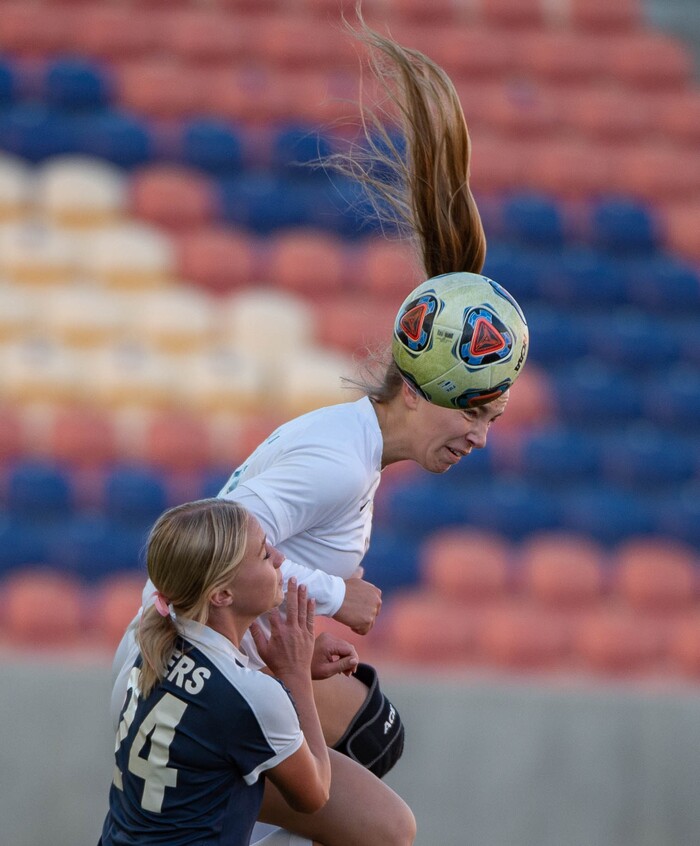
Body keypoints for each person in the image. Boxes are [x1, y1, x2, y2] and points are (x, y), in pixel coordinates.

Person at [111, 12, 526, 846]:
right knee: (382, 818)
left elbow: (235, 569)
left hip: (196, 673)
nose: (481, 437)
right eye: (473, 412)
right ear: (422, 389)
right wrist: (336, 601)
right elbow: (214, 548)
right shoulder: (340, 459)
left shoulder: (353, 450)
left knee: (365, 724)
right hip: (184, 687)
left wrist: (285, 646)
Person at [100, 498, 354, 846]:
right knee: (361, 831)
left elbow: (210, 702)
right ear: (221, 594)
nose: (279, 558)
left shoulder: (148, 644)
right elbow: (315, 794)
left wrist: (282, 670)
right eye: (264, 554)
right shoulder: (250, 695)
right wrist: (294, 676)